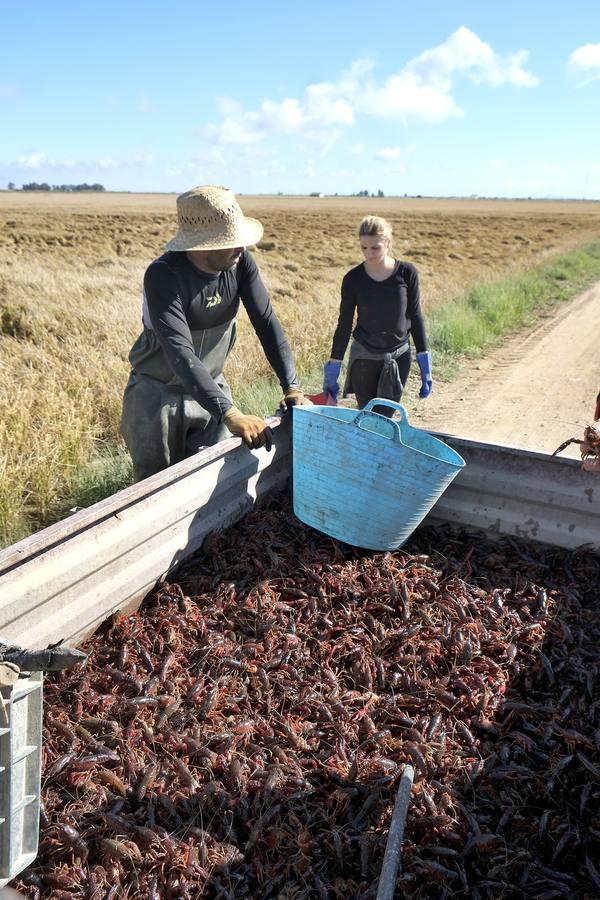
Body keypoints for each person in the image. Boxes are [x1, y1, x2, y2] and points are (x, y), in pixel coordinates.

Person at [121, 185, 309, 481]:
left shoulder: (240, 262)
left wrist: (292, 386)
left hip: (212, 389)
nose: (240, 247)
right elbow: (180, 352)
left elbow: (266, 323)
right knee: (156, 487)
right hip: (157, 399)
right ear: (202, 243)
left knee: (214, 482)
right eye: (229, 241)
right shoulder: (164, 276)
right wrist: (230, 413)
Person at [322, 215, 432, 416]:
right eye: (363, 248)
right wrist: (334, 365)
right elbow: (345, 323)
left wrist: (424, 361)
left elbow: (415, 316)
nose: (369, 253)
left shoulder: (407, 273)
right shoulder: (353, 279)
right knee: (368, 415)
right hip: (364, 357)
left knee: (386, 415)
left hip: (399, 356)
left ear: (388, 243)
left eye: (375, 248)